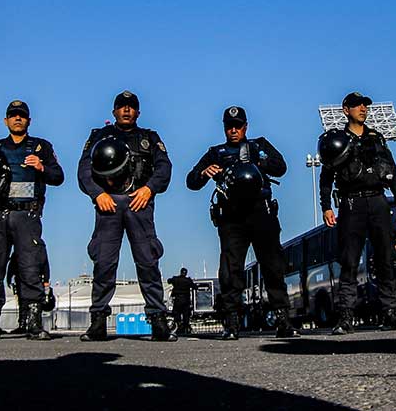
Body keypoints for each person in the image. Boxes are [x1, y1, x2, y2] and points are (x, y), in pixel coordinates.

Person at [186, 106, 298, 340]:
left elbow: (282, 167)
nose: (233, 130)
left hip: (261, 213)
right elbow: (191, 181)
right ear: (224, 128)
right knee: (230, 271)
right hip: (232, 217)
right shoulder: (216, 152)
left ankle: (283, 320)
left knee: (273, 267)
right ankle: (232, 323)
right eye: (229, 126)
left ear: (246, 126)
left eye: (238, 125)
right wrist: (205, 172)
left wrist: (259, 162)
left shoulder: (259, 145)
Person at [78, 90, 175, 342]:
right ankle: (98, 320)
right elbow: (84, 170)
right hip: (108, 203)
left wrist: (149, 188)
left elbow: (164, 167)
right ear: (114, 111)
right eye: (121, 106)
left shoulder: (149, 138)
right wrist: (97, 194)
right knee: (104, 264)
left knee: (148, 263)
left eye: (131, 107)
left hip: (139, 202)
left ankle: (158, 320)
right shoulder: (99, 136)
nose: (126, 110)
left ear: (138, 112)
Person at [320, 92, 396, 334]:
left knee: (385, 259)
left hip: (378, 201)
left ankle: (390, 313)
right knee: (349, 262)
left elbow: (391, 169)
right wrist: (326, 206)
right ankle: (345, 317)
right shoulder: (338, 140)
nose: (363, 108)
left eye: (365, 105)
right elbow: (326, 177)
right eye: (357, 105)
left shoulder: (376, 137)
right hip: (352, 204)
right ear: (346, 109)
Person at [0, 100, 64, 340]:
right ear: (6, 120)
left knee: (30, 268)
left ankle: (33, 322)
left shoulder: (40, 147)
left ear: (28, 121)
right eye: (13, 115)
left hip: (27, 215)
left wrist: (42, 167)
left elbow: (58, 176)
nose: (17, 119)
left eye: (21, 115)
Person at [167, 268, 198, 335]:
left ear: (180, 272)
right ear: (186, 273)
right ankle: (185, 328)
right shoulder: (188, 281)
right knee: (186, 315)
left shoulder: (175, 279)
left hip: (177, 300)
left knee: (177, 315)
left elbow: (168, 281)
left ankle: (178, 327)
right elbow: (195, 287)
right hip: (185, 300)